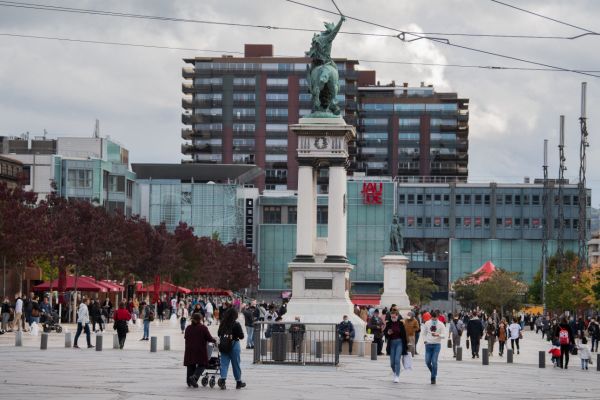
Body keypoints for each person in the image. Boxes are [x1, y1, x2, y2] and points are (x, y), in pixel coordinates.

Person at [184, 313, 217, 387]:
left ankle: (189, 381)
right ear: (200, 319)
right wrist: (214, 341)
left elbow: (186, 337)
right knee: (203, 364)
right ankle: (194, 377)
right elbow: (209, 338)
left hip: (189, 349)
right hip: (200, 349)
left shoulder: (188, 328)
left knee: (190, 364)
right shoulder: (203, 328)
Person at [217, 308, 246, 390]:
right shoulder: (236, 324)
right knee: (236, 364)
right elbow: (241, 336)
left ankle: (223, 380)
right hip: (234, 345)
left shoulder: (222, 323)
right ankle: (238, 382)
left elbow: (219, 333)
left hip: (224, 345)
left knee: (224, 364)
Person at [384, 310, 408, 383]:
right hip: (391, 343)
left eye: (394, 316)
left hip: (399, 342)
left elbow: (404, 335)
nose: (393, 318)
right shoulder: (388, 324)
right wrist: (388, 333)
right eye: (392, 316)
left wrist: (406, 347)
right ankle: (395, 372)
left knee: (397, 360)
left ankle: (397, 376)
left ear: (397, 316)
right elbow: (385, 333)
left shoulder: (401, 323)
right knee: (392, 363)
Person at [423, 310, 445, 385]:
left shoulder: (441, 324)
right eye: (433, 319)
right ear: (431, 317)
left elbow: (444, 335)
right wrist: (425, 341)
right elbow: (424, 333)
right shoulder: (427, 323)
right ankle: (433, 372)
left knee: (434, 361)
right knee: (427, 361)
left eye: (435, 319)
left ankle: (433, 377)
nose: (434, 320)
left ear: (438, 317)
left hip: (436, 345)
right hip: (428, 344)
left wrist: (438, 335)